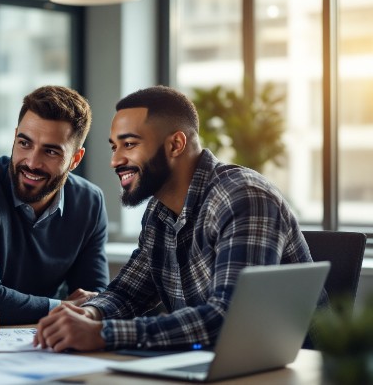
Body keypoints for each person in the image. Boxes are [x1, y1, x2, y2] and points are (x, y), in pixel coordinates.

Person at [33, 85, 321, 352]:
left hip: (290, 369)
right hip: (211, 364)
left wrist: (103, 333)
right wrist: (88, 313)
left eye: (129, 144)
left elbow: (230, 318)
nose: (115, 160)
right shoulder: (159, 213)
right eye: (114, 147)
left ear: (175, 144)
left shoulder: (243, 197)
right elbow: (128, 293)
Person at [0, 85, 110, 325]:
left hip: (39, 338)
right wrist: (64, 308)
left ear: (75, 159)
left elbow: (93, 296)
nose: (32, 162)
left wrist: (80, 306)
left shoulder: (90, 202)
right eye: (25, 143)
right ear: (15, 137)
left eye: (50, 151)